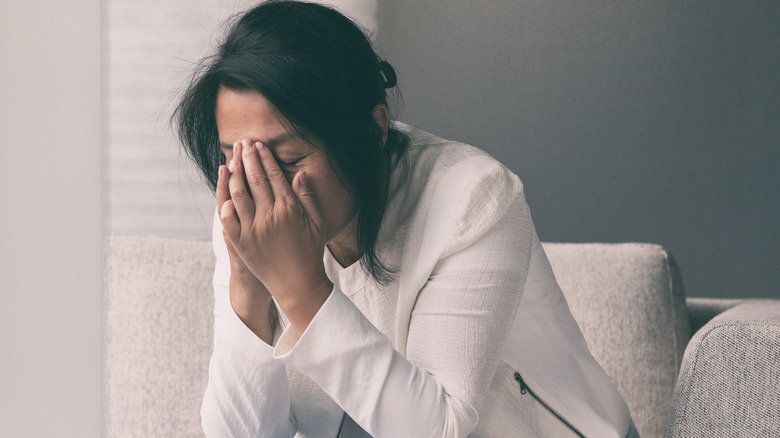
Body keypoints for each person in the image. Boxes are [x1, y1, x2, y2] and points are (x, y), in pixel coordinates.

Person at [173, 1, 639, 436]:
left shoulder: (472, 198)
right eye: (235, 155)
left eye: (287, 158)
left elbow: (439, 429)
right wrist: (249, 295)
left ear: (373, 129)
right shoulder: (245, 207)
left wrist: (300, 289)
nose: (258, 183)